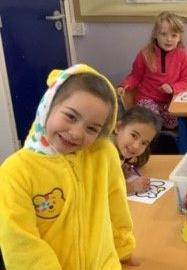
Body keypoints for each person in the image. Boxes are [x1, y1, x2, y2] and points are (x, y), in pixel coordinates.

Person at [0, 64, 138, 269]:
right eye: (71, 116)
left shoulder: (102, 155)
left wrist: (122, 248)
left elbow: (116, 205)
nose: (76, 133)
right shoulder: (15, 172)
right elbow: (20, 243)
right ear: (48, 106)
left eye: (92, 128)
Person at [117, 11, 187, 130]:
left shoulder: (183, 55)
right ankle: (152, 139)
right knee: (152, 121)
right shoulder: (145, 54)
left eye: (174, 35)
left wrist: (173, 88)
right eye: (163, 34)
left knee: (180, 123)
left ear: (179, 37)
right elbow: (135, 76)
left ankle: (168, 142)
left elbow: (185, 81)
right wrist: (124, 86)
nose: (168, 39)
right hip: (146, 99)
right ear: (156, 34)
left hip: (169, 103)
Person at [113, 106, 161, 195]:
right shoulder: (104, 152)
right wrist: (131, 187)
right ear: (118, 127)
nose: (136, 146)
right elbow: (101, 189)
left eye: (144, 143)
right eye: (134, 136)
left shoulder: (119, 150)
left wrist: (121, 170)